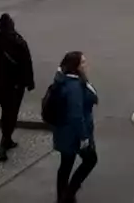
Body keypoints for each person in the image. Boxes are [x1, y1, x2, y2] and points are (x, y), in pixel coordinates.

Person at [50, 51, 100, 203]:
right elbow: (76, 116)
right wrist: (84, 137)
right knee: (91, 159)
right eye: (83, 62)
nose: (86, 64)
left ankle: (62, 196)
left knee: (66, 163)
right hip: (74, 134)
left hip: (63, 132)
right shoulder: (74, 88)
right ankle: (69, 193)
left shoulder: (65, 80)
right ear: (76, 67)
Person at [0, 13, 34, 161]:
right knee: (11, 113)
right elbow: (27, 63)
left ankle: (8, 140)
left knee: (6, 110)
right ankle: (4, 143)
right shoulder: (18, 42)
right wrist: (29, 82)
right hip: (15, 84)